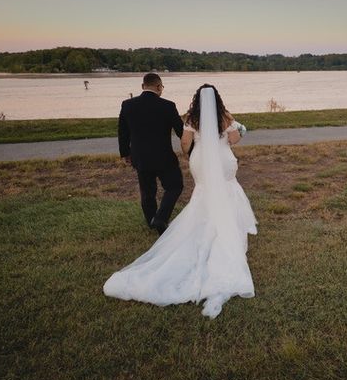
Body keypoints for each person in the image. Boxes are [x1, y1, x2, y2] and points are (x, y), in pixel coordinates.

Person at [104, 84, 257, 319]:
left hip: (201, 162)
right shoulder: (225, 115)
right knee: (227, 188)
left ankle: (202, 224)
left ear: (197, 99)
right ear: (217, 98)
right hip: (223, 161)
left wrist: (193, 154)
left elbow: (185, 143)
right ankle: (227, 226)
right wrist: (228, 137)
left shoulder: (191, 118)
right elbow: (235, 138)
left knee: (204, 192)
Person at [118, 73, 184, 234]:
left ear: (143, 86)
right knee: (175, 186)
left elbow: (123, 132)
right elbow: (180, 131)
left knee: (147, 192)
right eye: (161, 87)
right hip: (164, 157)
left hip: (140, 157)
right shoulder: (168, 106)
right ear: (159, 87)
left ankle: (151, 221)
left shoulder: (128, 105)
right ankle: (160, 218)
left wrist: (126, 153)